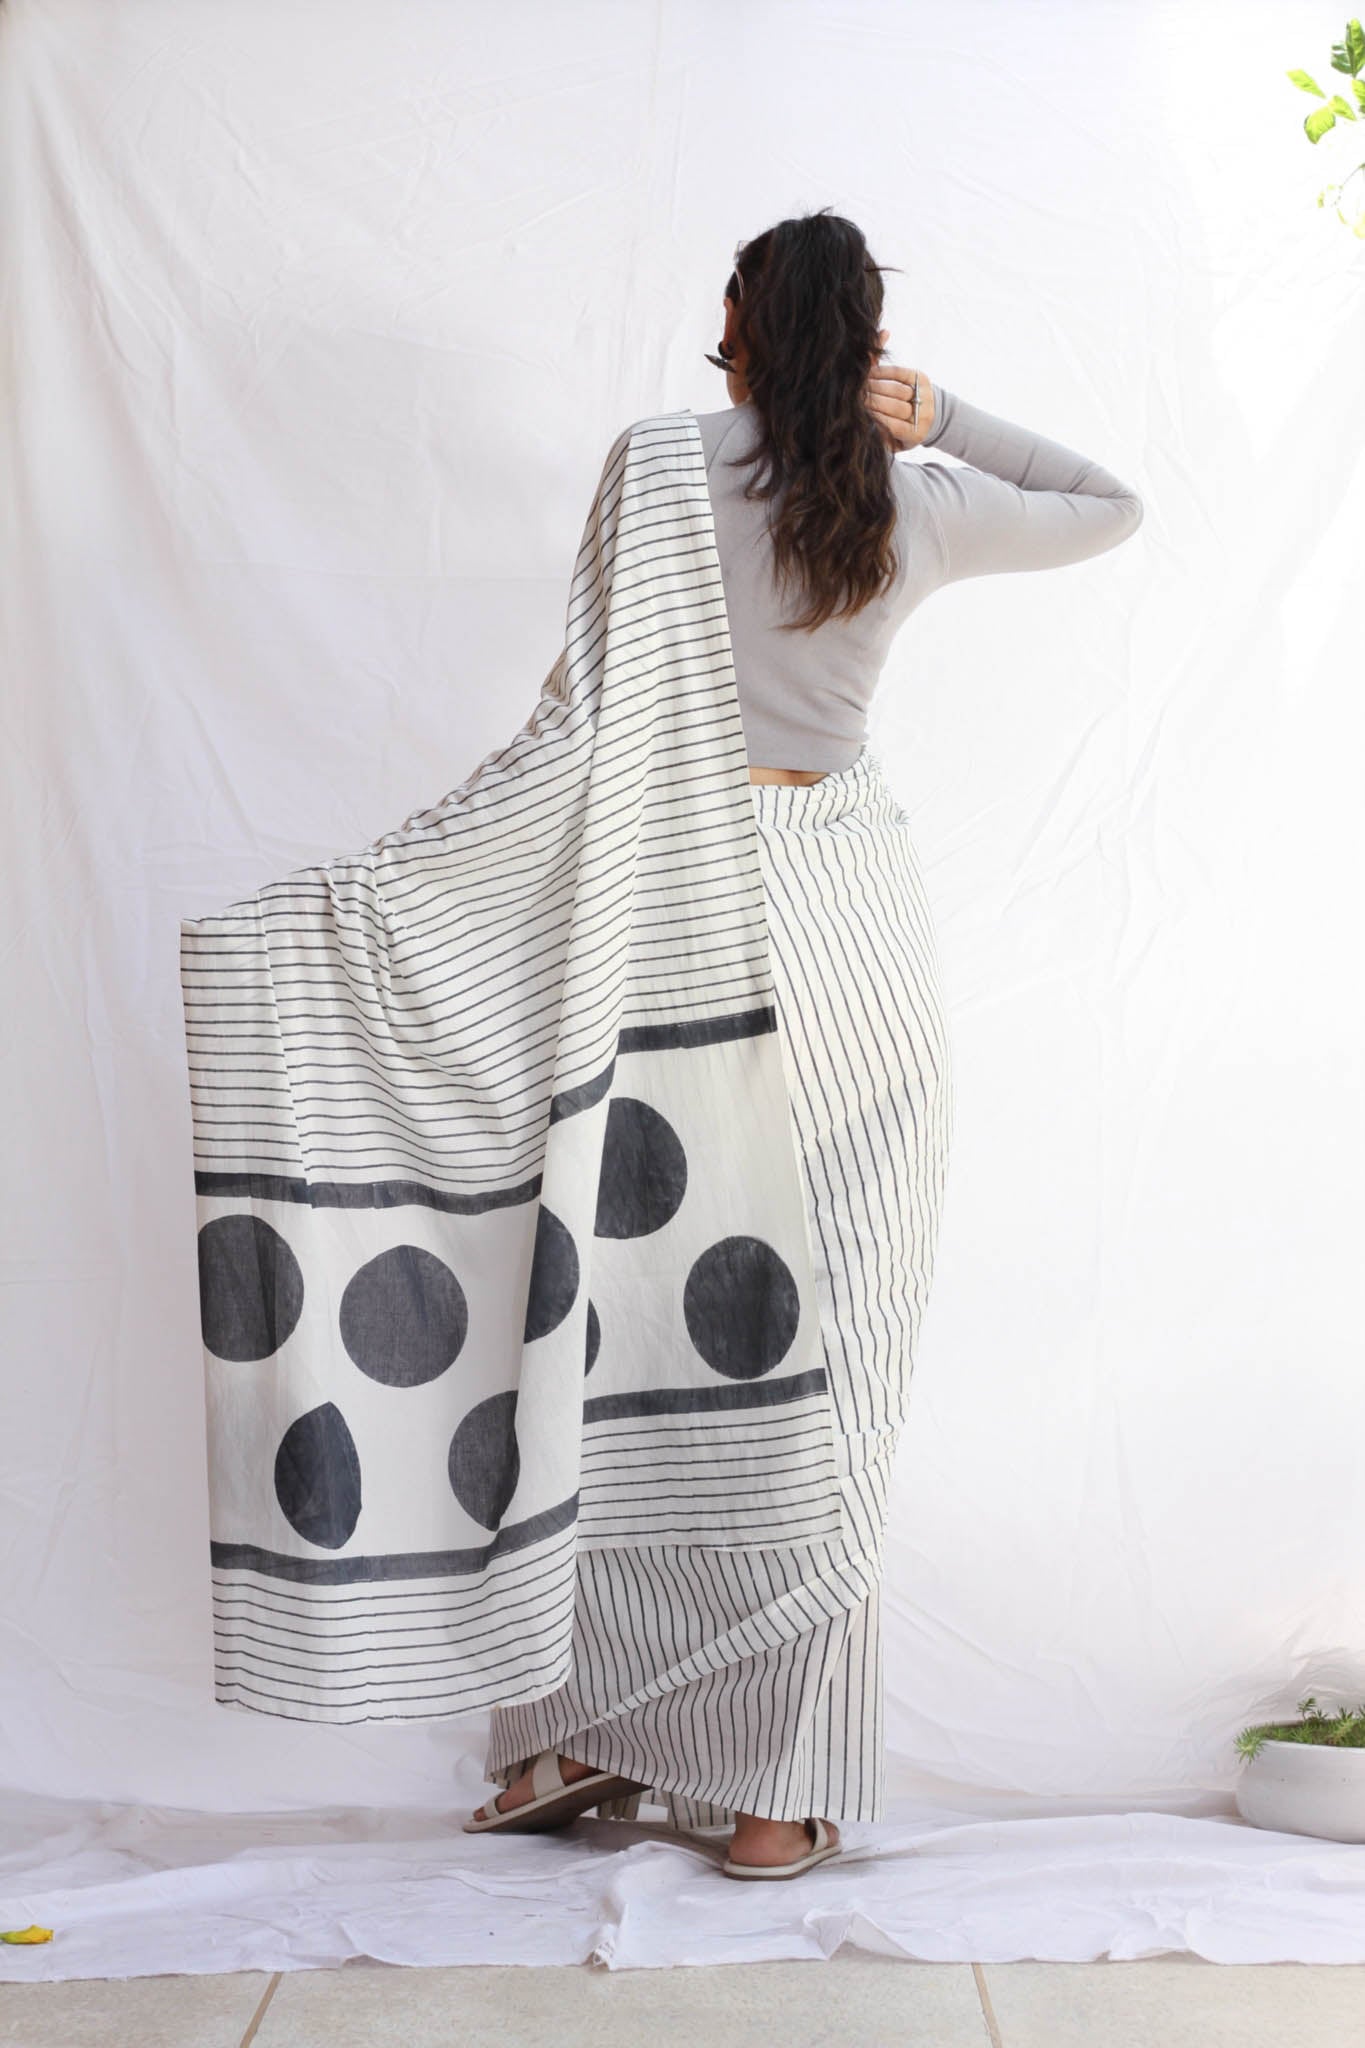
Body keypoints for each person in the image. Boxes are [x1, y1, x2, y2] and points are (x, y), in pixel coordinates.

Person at [464, 208, 1144, 1877]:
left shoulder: (653, 464)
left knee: (626, 1331)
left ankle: (579, 1732)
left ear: (740, 321)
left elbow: (576, 709)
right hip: (849, 932)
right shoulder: (914, 503)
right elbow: (1107, 506)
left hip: (671, 907)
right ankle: (776, 1794)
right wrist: (944, 415)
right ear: (869, 341)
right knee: (836, 1350)